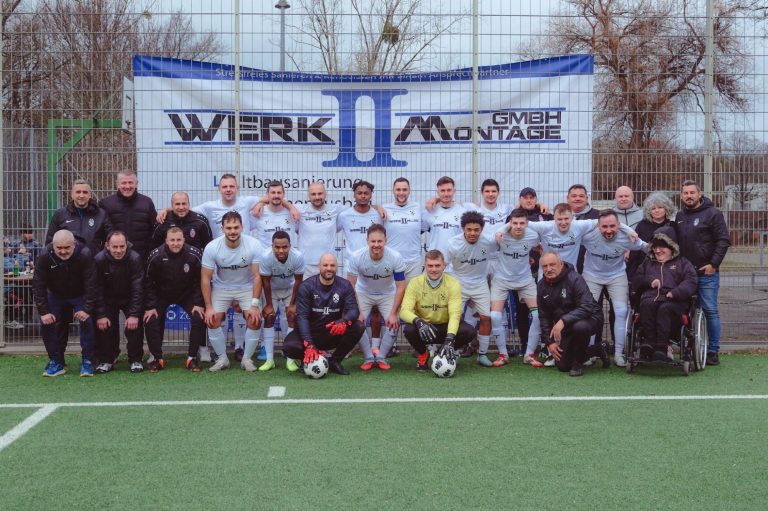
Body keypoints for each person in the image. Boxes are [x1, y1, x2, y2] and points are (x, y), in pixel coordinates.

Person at [580, 210, 647, 367]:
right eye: (604, 227)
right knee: (588, 312)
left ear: (618, 225)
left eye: (612, 226)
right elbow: (567, 234)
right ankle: (589, 352)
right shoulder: (588, 235)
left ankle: (618, 353)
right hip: (591, 275)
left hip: (617, 276)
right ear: (598, 226)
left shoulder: (628, 237)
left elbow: (648, 248)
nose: (608, 230)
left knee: (621, 311)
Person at [282, 253, 365, 376]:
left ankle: (335, 361)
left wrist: (344, 321)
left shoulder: (345, 285)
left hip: (332, 331)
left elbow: (354, 310)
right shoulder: (306, 286)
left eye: (332, 265)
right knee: (289, 347)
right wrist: (309, 344)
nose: (329, 268)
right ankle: (308, 360)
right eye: (325, 265)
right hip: (310, 332)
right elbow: (302, 318)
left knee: (358, 326)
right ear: (319, 267)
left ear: (337, 267)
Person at [675, 180, 730, 366]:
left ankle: (713, 351)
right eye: (685, 193)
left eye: (692, 193)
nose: (689, 196)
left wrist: (713, 264)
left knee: (709, 310)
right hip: (685, 275)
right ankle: (693, 348)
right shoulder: (680, 216)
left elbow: (723, 240)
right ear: (681, 196)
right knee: (688, 311)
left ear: (699, 194)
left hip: (706, 273)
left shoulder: (713, 213)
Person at [201, 211, 263, 371]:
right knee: (212, 319)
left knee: (255, 319)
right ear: (222, 228)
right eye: (228, 228)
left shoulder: (254, 245)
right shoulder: (212, 247)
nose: (232, 231)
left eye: (236, 227)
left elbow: (257, 276)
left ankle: (247, 359)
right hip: (222, 287)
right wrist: (208, 307)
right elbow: (205, 279)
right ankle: (222, 359)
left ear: (242, 227)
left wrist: (254, 305)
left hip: (246, 287)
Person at [32, 230, 97, 377]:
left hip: (79, 294)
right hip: (55, 295)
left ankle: (87, 361)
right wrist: (44, 312)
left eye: (67, 247)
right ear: (53, 245)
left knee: (87, 321)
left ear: (74, 244)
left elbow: (91, 283)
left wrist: (87, 309)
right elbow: (38, 284)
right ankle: (56, 361)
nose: (63, 251)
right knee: (47, 323)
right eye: (59, 248)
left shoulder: (85, 254)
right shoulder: (44, 255)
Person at [399, 250, 476, 371]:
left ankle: (443, 352)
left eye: (437, 265)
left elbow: (455, 315)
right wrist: (418, 321)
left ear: (444, 266)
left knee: (469, 331)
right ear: (424, 266)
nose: (434, 269)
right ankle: (423, 354)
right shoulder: (415, 283)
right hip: (425, 328)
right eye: (430, 266)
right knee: (409, 329)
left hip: (445, 327)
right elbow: (404, 311)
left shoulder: (453, 283)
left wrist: (450, 339)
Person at [144, 227, 207, 372]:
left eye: (179, 240)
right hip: (162, 295)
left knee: (198, 317)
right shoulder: (156, 255)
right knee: (150, 319)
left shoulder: (194, 254)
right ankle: (157, 358)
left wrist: (198, 303)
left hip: (186, 294)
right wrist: (150, 306)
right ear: (166, 241)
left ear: (184, 240)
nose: (175, 243)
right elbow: (148, 282)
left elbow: (200, 280)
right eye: (172, 240)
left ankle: (192, 358)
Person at [632, 227, 698, 361]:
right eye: (655, 247)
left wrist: (675, 292)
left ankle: (662, 348)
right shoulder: (647, 263)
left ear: (671, 247)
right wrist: (650, 281)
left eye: (661, 247)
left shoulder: (683, 263)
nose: (657, 251)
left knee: (665, 308)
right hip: (652, 297)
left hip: (674, 301)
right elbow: (637, 279)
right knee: (646, 304)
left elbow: (691, 282)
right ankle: (649, 343)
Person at [346, 224, 407, 371]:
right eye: (373, 241)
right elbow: (350, 285)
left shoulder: (395, 257)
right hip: (363, 293)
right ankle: (368, 357)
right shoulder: (356, 256)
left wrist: (393, 313)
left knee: (393, 324)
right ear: (367, 241)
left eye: (380, 241)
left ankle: (381, 357)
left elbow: (401, 286)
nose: (376, 245)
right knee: (357, 323)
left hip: (387, 294)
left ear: (386, 241)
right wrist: (358, 311)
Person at [445, 211, 498, 367]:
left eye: (476, 230)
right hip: (459, 283)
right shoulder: (452, 243)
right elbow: (443, 264)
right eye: (469, 229)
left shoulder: (489, 241)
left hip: (480, 283)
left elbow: (507, 231)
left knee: (486, 318)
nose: (472, 233)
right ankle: (453, 351)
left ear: (481, 229)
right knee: (454, 318)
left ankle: (482, 354)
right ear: (463, 229)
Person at [537, 252, 603, 377]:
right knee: (563, 366)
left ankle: (578, 364)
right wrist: (550, 342)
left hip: (591, 318)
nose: (548, 269)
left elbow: (587, 306)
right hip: (568, 325)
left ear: (561, 264)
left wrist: (563, 320)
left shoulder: (575, 278)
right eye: (545, 266)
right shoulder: (541, 285)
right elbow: (544, 316)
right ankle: (597, 349)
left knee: (580, 327)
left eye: (552, 264)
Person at [492, 208, 544, 367]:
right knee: (495, 316)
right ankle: (503, 354)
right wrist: (502, 229)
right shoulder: (501, 235)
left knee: (537, 315)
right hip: (502, 280)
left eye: (522, 223)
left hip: (525, 280)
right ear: (510, 223)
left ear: (527, 223)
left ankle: (529, 354)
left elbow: (539, 245)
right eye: (515, 223)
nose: (518, 226)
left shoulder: (533, 236)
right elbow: (494, 237)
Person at [93, 231, 145, 374]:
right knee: (104, 326)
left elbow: (138, 288)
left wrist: (134, 314)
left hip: (129, 298)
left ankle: (135, 359)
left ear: (127, 245)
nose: (118, 250)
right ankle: (107, 360)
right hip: (108, 299)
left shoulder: (135, 258)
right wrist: (101, 315)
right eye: (115, 247)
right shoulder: (99, 260)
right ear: (107, 246)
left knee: (134, 327)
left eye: (122, 246)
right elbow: (97, 288)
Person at [511, 187, 553, 355]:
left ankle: (545, 344)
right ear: (520, 199)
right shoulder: (513, 216)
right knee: (522, 311)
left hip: (543, 272)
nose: (528, 200)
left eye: (531, 197)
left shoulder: (545, 215)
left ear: (536, 199)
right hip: (521, 272)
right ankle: (525, 345)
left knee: (545, 308)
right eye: (525, 197)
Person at [259, 231, 305, 372]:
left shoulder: (297, 256)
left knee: (292, 316)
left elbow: (298, 281)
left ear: (290, 246)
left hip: (289, 289)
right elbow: (265, 282)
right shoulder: (265, 257)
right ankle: (269, 360)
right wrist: (268, 305)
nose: (281, 250)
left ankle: (290, 360)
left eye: (284, 247)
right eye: (277, 247)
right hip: (272, 289)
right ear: (272, 246)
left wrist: (293, 304)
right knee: (269, 317)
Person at [98, 171, 157, 262]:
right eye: (124, 183)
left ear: (136, 184)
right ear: (118, 184)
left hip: (141, 257)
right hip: (113, 259)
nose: (127, 186)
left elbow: (154, 229)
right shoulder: (105, 203)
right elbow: (101, 232)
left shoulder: (147, 202)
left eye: (130, 183)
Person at [46, 179, 112, 256]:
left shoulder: (101, 214)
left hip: (93, 261)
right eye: (78, 192)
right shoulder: (60, 214)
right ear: (72, 195)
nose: (81, 195)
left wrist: (100, 256)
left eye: (85, 192)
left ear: (90, 195)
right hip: (68, 261)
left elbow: (110, 240)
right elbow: (50, 242)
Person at [627, 192, 677, 278]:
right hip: (645, 270)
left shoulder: (673, 226)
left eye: (660, 207)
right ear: (649, 211)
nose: (657, 210)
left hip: (667, 270)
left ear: (666, 209)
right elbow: (635, 250)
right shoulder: (642, 225)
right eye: (653, 208)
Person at [384, 177, 425, 280]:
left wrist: (435, 199)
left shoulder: (418, 207)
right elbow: (368, 209)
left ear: (409, 191)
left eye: (404, 190)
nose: (401, 193)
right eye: (398, 190)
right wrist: (377, 207)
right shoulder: (385, 209)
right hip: (392, 261)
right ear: (393, 191)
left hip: (414, 263)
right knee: (395, 291)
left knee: (413, 291)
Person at [421, 176, 467, 266]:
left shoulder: (463, 212)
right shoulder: (429, 211)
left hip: (456, 263)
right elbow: (417, 231)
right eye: (442, 190)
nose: (446, 194)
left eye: (449, 190)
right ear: (437, 192)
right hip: (435, 263)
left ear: (454, 191)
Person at [250, 180, 298, 247]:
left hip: (288, 254)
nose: (276, 196)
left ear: (284, 194)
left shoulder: (293, 213)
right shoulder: (258, 212)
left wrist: (291, 207)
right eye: (273, 192)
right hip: (265, 253)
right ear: (267, 194)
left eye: (279, 192)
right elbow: (243, 230)